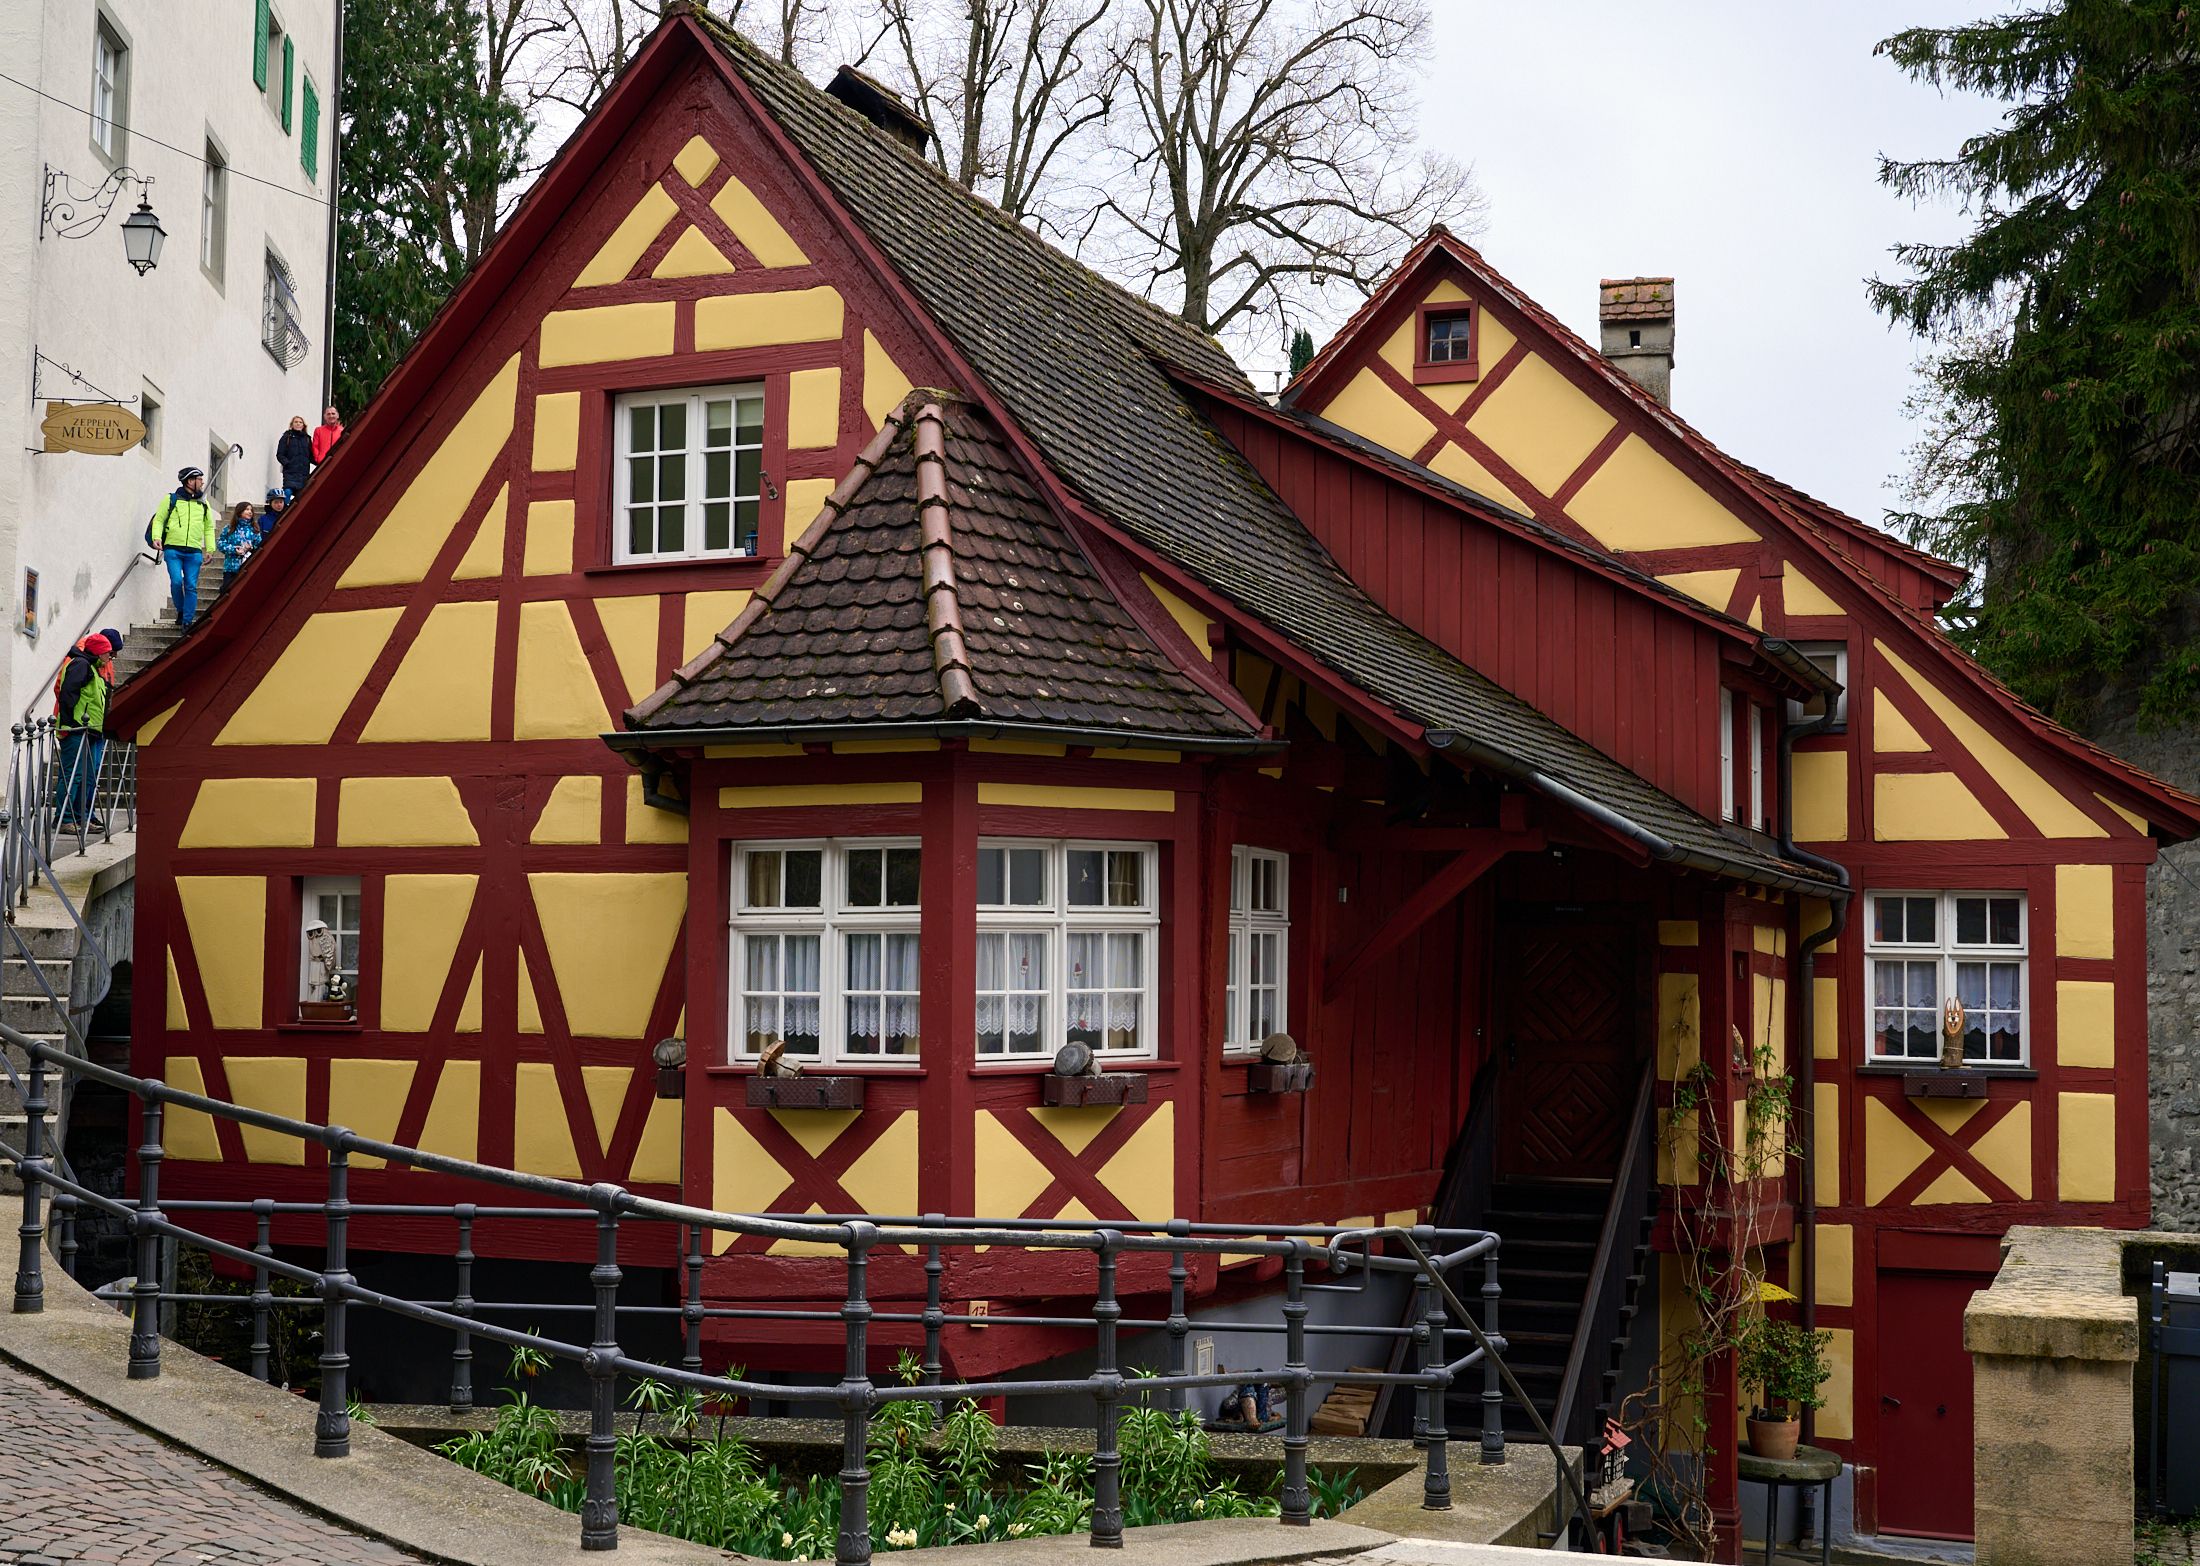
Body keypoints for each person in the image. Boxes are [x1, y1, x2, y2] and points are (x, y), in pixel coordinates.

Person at [53, 633, 112, 830]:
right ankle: (66, 819)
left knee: (85, 776)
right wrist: (69, 724)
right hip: (78, 729)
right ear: (98, 652)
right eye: (108, 653)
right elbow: (68, 694)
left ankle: (80, 818)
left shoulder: (92, 668)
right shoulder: (81, 665)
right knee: (73, 775)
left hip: (90, 730)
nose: (110, 657)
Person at [147, 466, 217, 627]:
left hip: (194, 551)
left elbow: (208, 527)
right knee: (177, 582)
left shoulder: (203, 503)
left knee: (191, 586)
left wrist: (210, 549)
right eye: (199, 479)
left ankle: (187, 621)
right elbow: (159, 519)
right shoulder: (171, 499)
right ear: (190, 481)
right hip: (173, 549)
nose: (202, 482)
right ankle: (180, 610)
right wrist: (156, 537)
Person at [218, 501, 262, 574]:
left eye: (251, 510)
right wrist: (234, 549)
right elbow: (220, 544)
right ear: (239, 511)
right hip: (231, 568)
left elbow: (259, 546)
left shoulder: (254, 529)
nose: (250, 512)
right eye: (247, 509)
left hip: (248, 568)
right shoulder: (229, 528)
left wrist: (251, 548)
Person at [277, 414, 313, 494]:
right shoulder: (286, 437)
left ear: (303, 425)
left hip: (303, 473)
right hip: (290, 472)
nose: (298, 423)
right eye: (296, 422)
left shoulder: (307, 439)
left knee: (301, 496)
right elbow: (280, 454)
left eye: (300, 422)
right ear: (292, 424)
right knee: (288, 492)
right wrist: (288, 463)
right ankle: (286, 507)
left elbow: (311, 456)